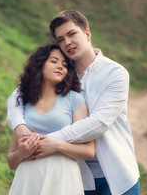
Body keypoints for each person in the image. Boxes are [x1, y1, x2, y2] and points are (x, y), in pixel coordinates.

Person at [7, 10, 140, 195]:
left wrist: (50, 141)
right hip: (75, 178)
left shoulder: (115, 74)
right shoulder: (62, 73)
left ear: (87, 34)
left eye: (71, 34)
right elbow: (17, 95)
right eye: (60, 39)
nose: (67, 43)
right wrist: (19, 125)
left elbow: (98, 123)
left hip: (117, 175)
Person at [7, 44, 95, 195]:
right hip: (28, 178)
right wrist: (21, 152)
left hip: (62, 177)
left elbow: (89, 151)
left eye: (65, 64)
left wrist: (58, 146)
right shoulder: (24, 101)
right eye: (54, 61)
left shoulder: (75, 99)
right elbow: (11, 161)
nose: (60, 66)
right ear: (39, 65)